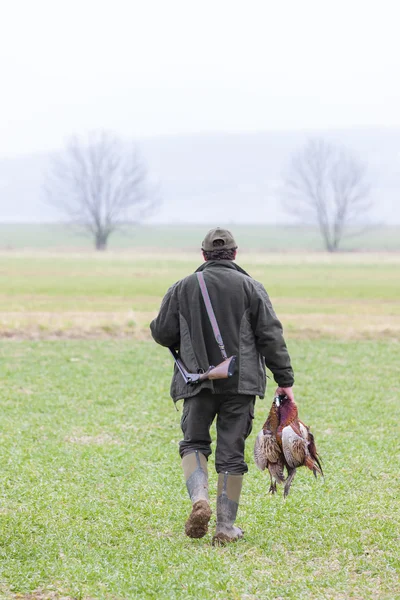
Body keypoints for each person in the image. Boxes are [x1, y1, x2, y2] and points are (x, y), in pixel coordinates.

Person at [150, 227, 294, 544]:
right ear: (235, 254)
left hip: (196, 382)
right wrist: (285, 380)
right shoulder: (252, 288)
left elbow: (161, 333)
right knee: (231, 455)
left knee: (194, 444)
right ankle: (225, 527)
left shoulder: (182, 287)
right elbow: (271, 337)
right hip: (240, 385)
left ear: (203, 255)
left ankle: (198, 499)